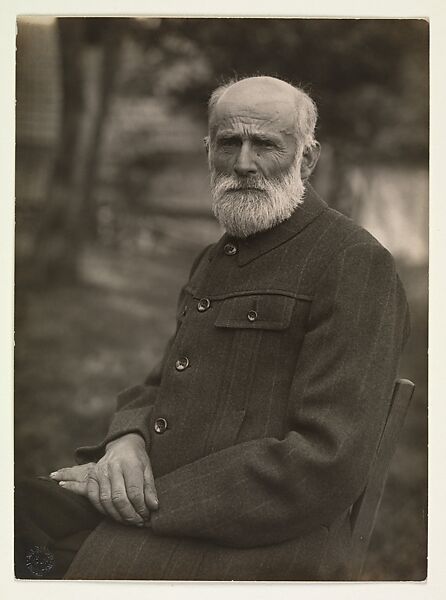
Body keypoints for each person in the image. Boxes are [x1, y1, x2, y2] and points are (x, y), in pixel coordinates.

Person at [15, 75, 410, 581]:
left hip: (259, 538)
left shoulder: (353, 263)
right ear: (210, 151)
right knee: (19, 511)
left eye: (264, 143)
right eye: (229, 142)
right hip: (160, 496)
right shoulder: (214, 258)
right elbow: (160, 382)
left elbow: (325, 462)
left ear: (307, 159)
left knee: (39, 567)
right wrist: (125, 442)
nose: (243, 162)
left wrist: (148, 497)